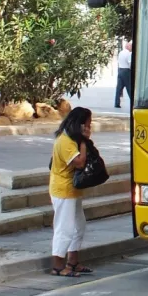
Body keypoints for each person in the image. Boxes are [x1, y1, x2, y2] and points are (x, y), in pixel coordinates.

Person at [49, 107, 94, 277]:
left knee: (78, 226)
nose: (90, 127)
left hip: (71, 190)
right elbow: (80, 162)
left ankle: (73, 261)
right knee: (64, 228)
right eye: (88, 124)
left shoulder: (70, 138)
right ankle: (58, 265)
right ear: (81, 124)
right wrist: (84, 141)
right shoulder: (66, 141)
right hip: (63, 190)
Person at [114, 41, 132, 108]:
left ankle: (117, 103)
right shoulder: (129, 53)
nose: (132, 47)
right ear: (127, 46)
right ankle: (133, 102)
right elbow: (130, 64)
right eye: (131, 46)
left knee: (119, 88)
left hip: (120, 70)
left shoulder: (121, 52)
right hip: (126, 71)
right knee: (129, 88)